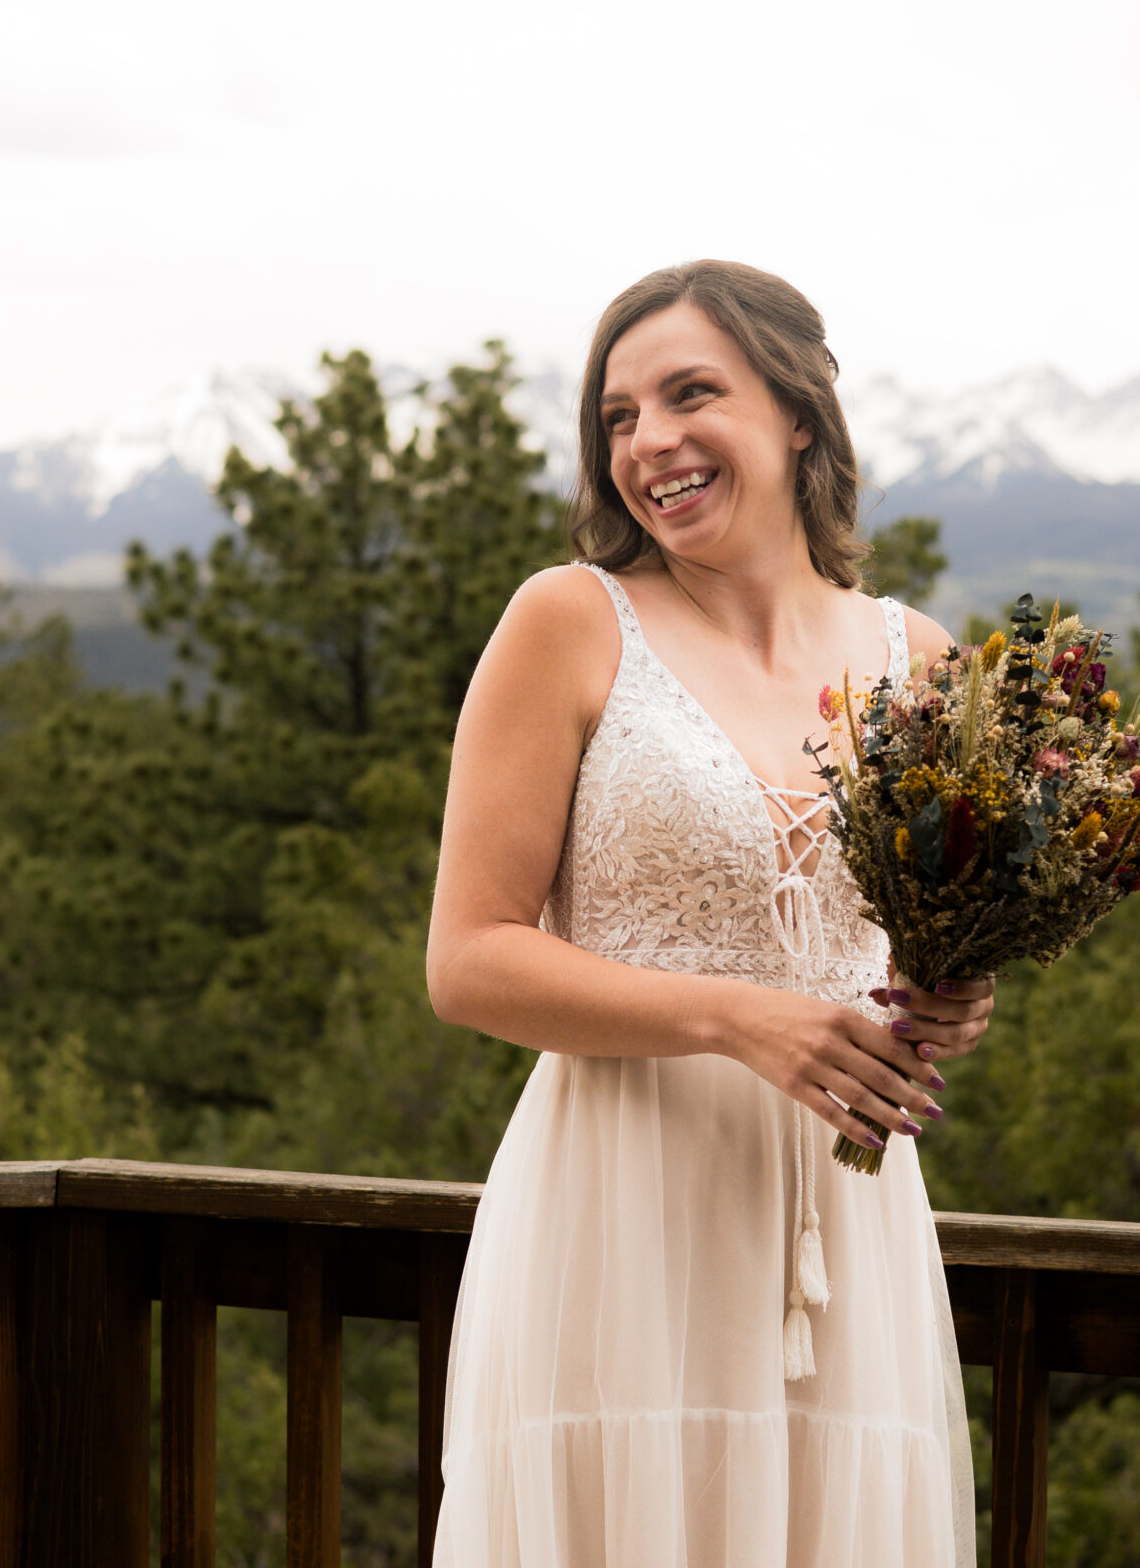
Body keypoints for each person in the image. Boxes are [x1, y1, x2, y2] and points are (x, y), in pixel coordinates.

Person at [425, 261, 993, 1564]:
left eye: (690, 395)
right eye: (618, 417)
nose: (649, 442)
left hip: (850, 1237)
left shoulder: (925, 662)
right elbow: (468, 963)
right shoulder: (569, 624)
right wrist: (742, 1021)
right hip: (618, 1219)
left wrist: (954, 993)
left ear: (797, 413)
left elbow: (920, 961)